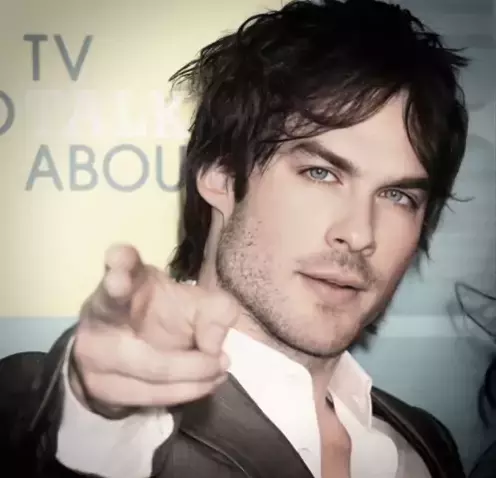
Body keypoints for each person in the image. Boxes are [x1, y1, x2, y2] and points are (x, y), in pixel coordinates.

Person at [0, 0, 470, 477]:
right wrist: (92, 413)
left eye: (397, 195)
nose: (358, 233)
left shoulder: (426, 445)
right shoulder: (84, 418)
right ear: (221, 176)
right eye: (320, 173)